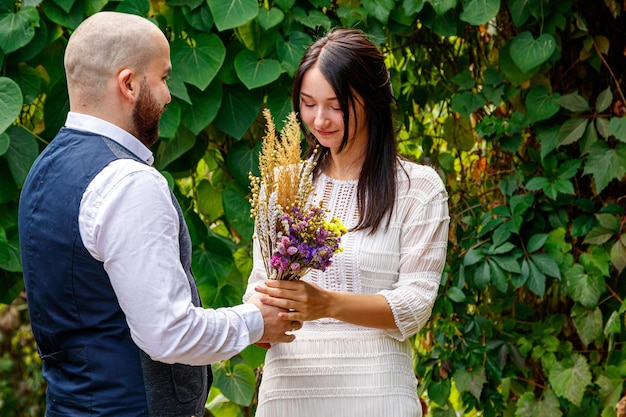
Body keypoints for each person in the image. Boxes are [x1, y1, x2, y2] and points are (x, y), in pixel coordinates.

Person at [18, 11, 297, 417]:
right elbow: (169, 333)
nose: (168, 95)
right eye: (163, 77)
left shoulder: (42, 171)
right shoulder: (128, 182)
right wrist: (256, 320)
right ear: (128, 83)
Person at [244, 28, 450, 417]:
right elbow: (258, 284)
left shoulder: (419, 189)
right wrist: (260, 316)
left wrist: (326, 304)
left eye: (335, 106)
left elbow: (415, 304)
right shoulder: (281, 185)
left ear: (370, 101)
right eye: (307, 104)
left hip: (377, 393)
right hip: (289, 393)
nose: (318, 120)